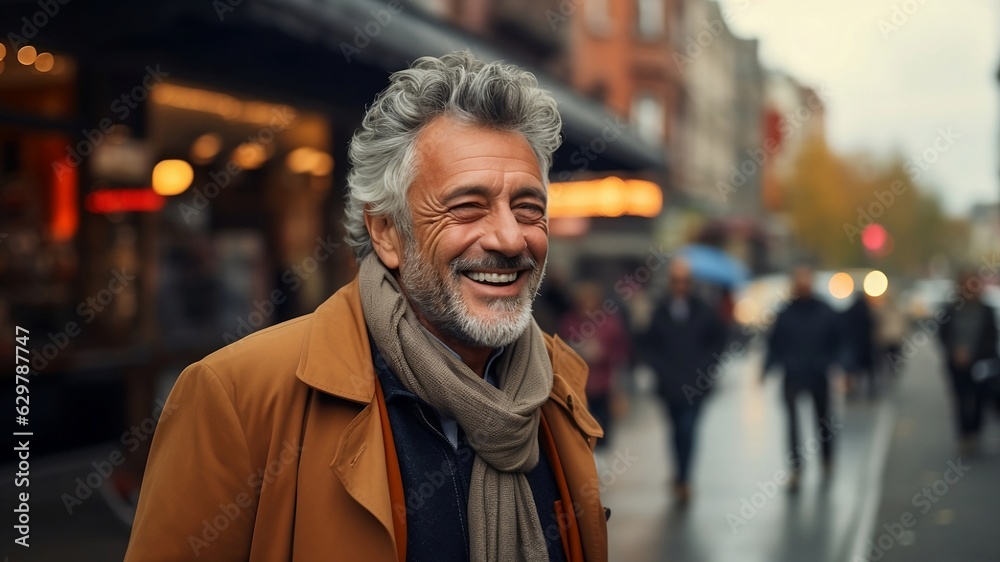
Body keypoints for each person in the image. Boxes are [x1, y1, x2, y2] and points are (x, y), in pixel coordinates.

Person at [125, 51, 608, 562]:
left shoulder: (558, 387)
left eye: (528, 209)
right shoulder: (238, 397)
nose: (511, 238)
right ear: (386, 232)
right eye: (467, 206)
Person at [640, 258, 726, 504]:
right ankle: (679, 473)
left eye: (685, 281)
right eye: (676, 281)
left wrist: (706, 367)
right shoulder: (661, 309)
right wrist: (658, 369)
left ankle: (685, 477)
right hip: (669, 384)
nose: (680, 286)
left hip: (695, 383)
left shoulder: (704, 309)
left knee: (689, 428)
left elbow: (717, 340)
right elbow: (649, 343)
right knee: (675, 429)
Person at [763, 265, 842, 490]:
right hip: (793, 374)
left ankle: (827, 460)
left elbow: (837, 340)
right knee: (792, 424)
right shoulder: (785, 313)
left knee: (823, 420)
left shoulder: (825, 310)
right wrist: (768, 367)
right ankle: (796, 467)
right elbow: (774, 343)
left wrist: (837, 365)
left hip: (818, 373)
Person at [559, 282, 630, 451]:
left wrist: (602, 353)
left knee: (603, 429)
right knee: (579, 430)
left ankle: (600, 466)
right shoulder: (569, 323)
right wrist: (578, 351)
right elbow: (560, 351)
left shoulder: (610, 324)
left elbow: (621, 355)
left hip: (604, 385)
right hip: (577, 387)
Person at [937, 270, 1000, 449]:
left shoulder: (986, 310)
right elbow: (943, 335)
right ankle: (964, 434)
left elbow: (990, 338)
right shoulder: (950, 310)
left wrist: (974, 355)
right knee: (960, 399)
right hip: (956, 364)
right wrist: (954, 352)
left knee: (980, 398)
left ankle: (975, 433)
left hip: (980, 364)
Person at [841, 291, 876, 397]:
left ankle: (851, 392)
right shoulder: (868, 311)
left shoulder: (850, 311)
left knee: (852, 370)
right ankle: (870, 391)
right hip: (866, 344)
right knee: (869, 370)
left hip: (853, 344)